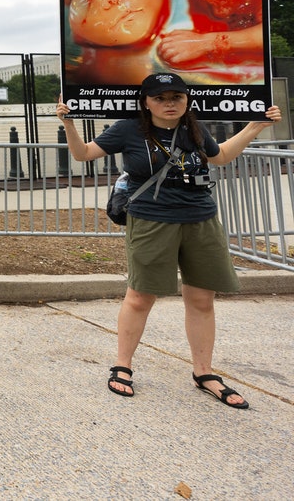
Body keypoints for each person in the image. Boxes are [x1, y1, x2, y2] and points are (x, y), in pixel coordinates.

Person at [57, 72, 281, 408]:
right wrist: (69, 125)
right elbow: (83, 154)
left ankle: (204, 372)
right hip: (151, 219)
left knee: (202, 298)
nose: (169, 104)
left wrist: (254, 127)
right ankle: (123, 366)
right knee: (140, 296)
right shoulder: (128, 128)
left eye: (176, 97)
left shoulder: (193, 127)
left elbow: (218, 156)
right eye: (160, 98)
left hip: (200, 217)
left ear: (186, 99)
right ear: (145, 102)